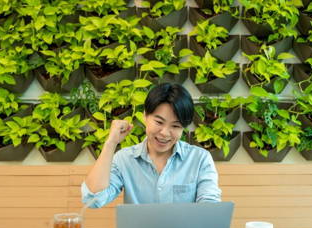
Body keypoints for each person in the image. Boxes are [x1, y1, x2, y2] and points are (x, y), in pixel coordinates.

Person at [81, 83, 221, 207]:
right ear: (145, 116)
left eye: (176, 126)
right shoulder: (124, 159)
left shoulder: (200, 159)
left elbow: (210, 208)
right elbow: (93, 199)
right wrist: (110, 143)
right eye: (159, 122)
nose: (165, 133)